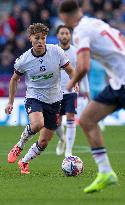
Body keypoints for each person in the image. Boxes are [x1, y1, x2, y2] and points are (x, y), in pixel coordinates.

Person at [58, 0, 123, 193]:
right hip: (119, 83)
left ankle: (105, 171)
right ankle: (105, 172)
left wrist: (71, 82)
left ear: (64, 17)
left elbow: (84, 66)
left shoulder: (81, 32)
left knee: (87, 120)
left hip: (122, 82)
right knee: (86, 119)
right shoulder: (96, 23)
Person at [5, 23, 75, 174]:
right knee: (37, 124)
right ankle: (19, 145)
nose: (40, 42)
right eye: (37, 38)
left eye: (43, 38)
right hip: (34, 97)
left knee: (44, 141)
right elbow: (14, 80)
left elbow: (70, 70)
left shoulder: (56, 52)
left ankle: (24, 162)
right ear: (30, 38)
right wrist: (10, 102)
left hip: (55, 100)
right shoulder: (24, 60)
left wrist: (74, 83)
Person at [55, 25, 89, 156]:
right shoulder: (53, 51)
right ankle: (62, 139)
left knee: (71, 117)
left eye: (66, 33)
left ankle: (68, 151)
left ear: (70, 36)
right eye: (62, 33)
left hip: (71, 90)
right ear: (58, 35)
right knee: (56, 121)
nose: (64, 36)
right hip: (55, 91)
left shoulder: (76, 52)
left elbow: (82, 71)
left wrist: (85, 89)